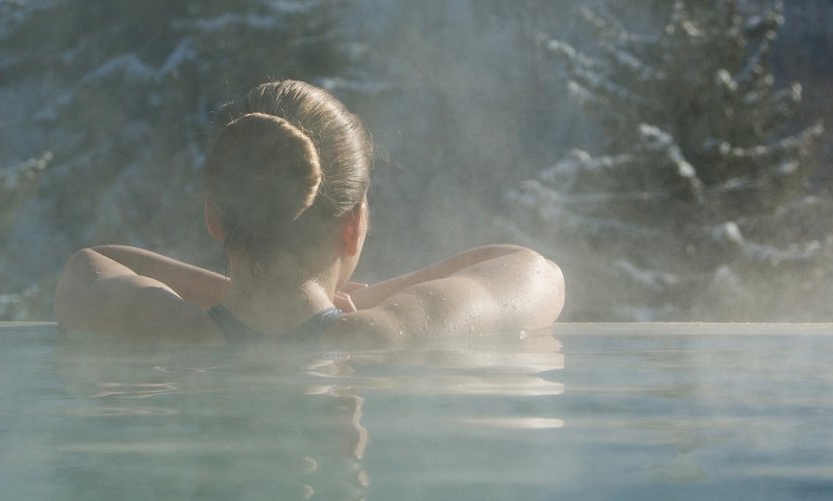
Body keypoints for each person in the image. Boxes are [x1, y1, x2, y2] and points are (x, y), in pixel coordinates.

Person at [54, 80, 565, 346]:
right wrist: (376, 303)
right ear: (353, 226)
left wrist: (237, 294)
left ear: (215, 216)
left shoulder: (174, 332)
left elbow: (92, 261)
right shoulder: (389, 333)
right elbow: (533, 270)